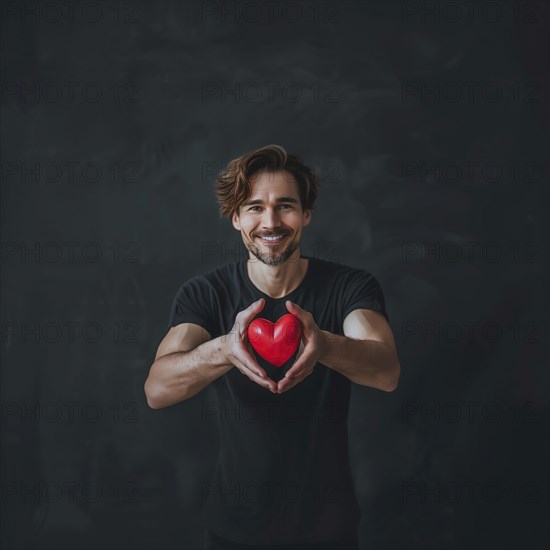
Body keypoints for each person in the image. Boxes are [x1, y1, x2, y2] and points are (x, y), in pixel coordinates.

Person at [144, 144, 401, 550]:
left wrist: (325, 346)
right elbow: (157, 390)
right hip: (234, 528)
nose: (271, 221)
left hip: (328, 527)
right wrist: (225, 349)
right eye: (254, 207)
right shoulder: (205, 294)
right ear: (235, 218)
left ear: (307, 215)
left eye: (285, 206)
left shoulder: (350, 287)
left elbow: (386, 372)